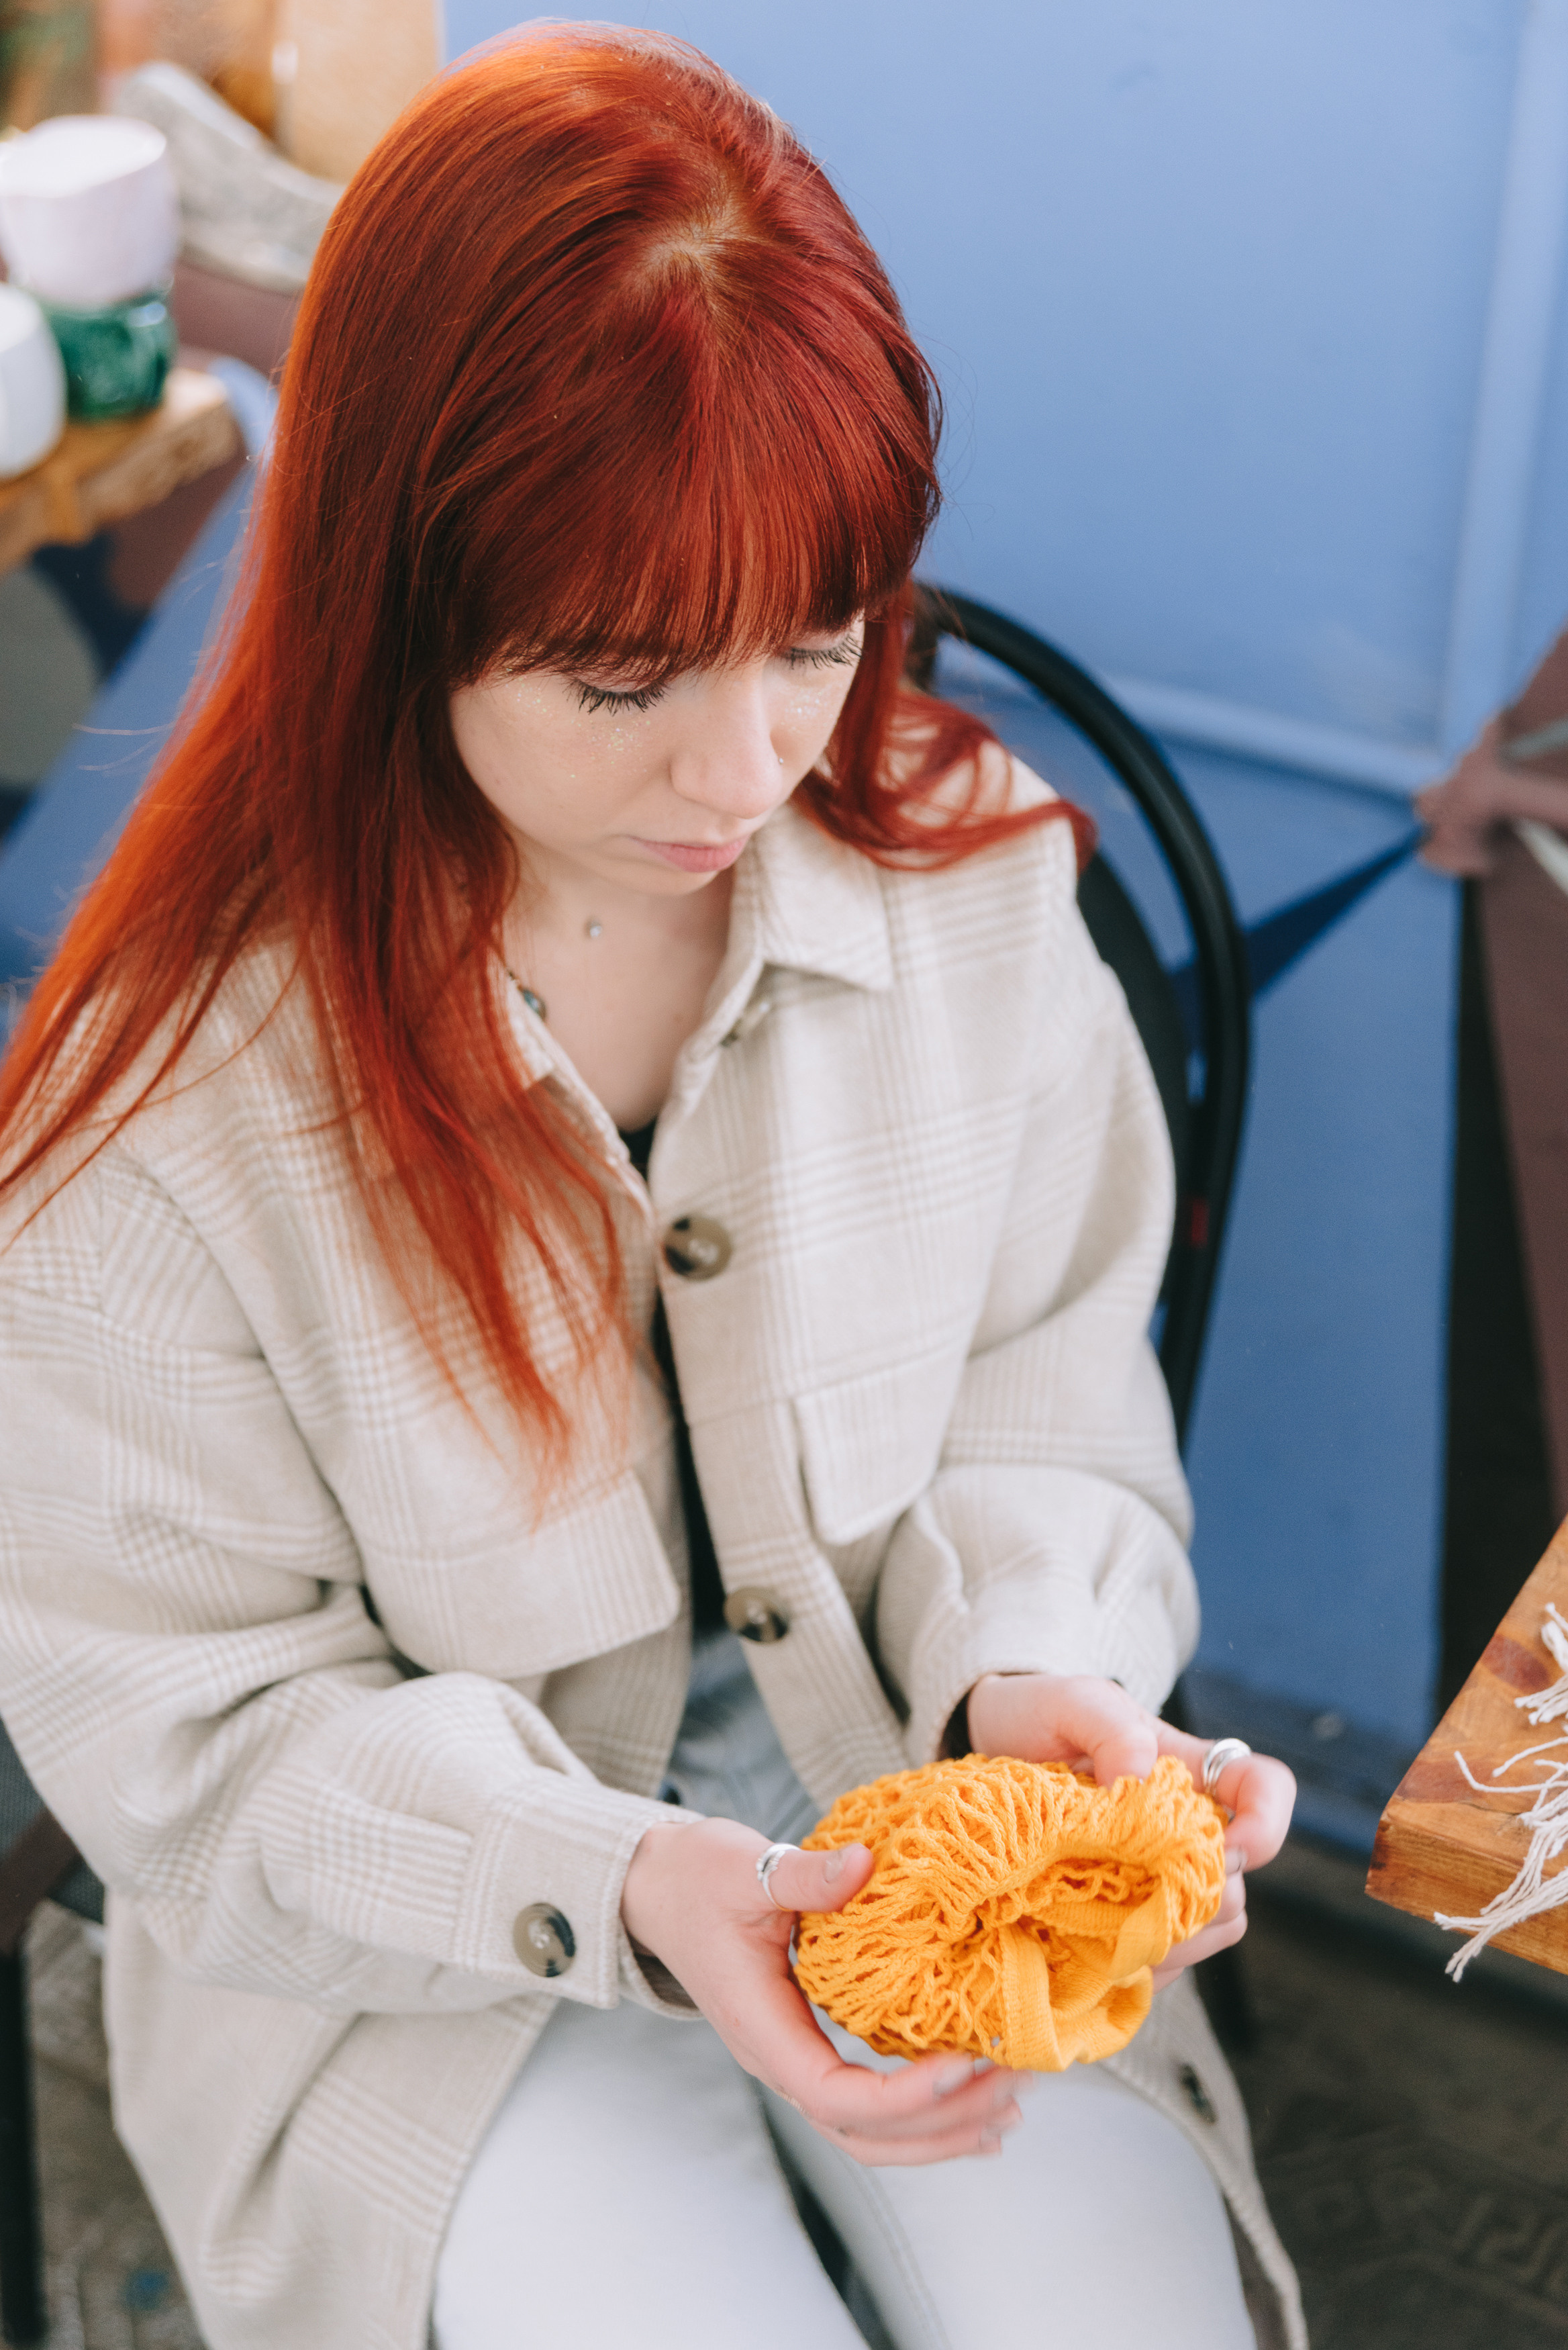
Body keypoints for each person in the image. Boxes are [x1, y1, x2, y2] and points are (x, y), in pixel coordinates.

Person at [0, 28, 1303, 2350]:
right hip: (421, 1936)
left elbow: (1045, 1375)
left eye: (814, 635)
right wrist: (619, 1876)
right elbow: (197, 1737)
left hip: (900, 1766)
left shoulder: (969, 881)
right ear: (401, 602)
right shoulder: (162, 1118)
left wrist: (1051, 1675)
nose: (751, 764)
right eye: (621, 678)